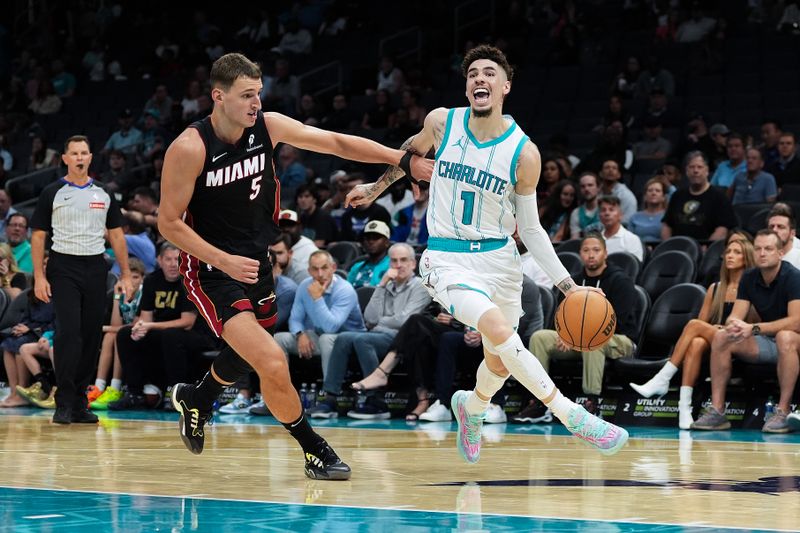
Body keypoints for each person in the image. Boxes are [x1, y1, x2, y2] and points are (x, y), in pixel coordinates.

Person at [345, 45, 628, 463]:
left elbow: (530, 229)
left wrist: (568, 287)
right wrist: (375, 189)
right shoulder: (442, 122)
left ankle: (471, 407)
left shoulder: (524, 153)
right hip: (446, 258)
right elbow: (410, 151)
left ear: (505, 87)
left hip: (499, 261)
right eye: (473, 73)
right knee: (498, 328)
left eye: (489, 73)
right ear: (467, 86)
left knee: (498, 360)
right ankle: (572, 415)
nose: (480, 79)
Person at [157, 53, 432, 480]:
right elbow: (168, 223)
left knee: (246, 354)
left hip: (258, 262)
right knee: (269, 359)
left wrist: (402, 160)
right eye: (247, 95)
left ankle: (197, 398)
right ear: (218, 97)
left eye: (259, 94)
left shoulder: (267, 126)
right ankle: (314, 450)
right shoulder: (190, 147)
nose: (255, 103)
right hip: (211, 269)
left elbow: (336, 142)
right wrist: (221, 259)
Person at [31, 135, 135, 424]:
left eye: (84, 153)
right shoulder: (52, 192)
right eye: (74, 153)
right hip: (63, 265)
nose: (79, 157)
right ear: (64, 158)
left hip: (95, 266)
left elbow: (116, 235)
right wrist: (39, 276)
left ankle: (79, 402)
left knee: (91, 334)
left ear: (90, 158)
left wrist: (126, 274)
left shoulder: (103, 193)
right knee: (69, 332)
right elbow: (38, 236)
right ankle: (62, 401)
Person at [629, 234, 755, 428]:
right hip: (716, 342)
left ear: (746, 258)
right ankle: (684, 409)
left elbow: (753, 325)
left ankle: (662, 378)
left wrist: (721, 328)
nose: (730, 255)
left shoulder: (751, 287)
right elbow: (702, 324)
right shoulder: (715, 288)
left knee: (694, 325)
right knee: (696, 341)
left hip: (739, 342)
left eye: (737, 252)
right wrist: (714, 329)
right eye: (728, 251)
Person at [691, 230, 800, 433]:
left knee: (785, 336)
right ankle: (717, 411)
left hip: (794, 341)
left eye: (768, 249)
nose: (762, 253)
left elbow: (796, 322)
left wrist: (754, 328)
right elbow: (736, 315)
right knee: (723, 336)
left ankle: (783, 412)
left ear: (780, 253)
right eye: (758, 248)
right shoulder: (750, 277)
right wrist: (734, 324)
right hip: (769, 341)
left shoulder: (793, 277)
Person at [530, 233, 638, 415]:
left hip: (620, 339)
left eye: (596, 250)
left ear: (605, 253)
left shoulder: (621, 281)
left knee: (594, 342)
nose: (591, 255)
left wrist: (573, 337)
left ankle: (592, 403)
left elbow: (615, 322)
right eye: (586, 250)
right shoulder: (573, 282)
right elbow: (561, 316)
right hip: (579, 340)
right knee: (539, 337)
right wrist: (567, 335)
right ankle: (539, 401)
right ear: (580, 253)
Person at [599, 196, 644, 261]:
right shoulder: (594, 240)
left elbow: (635, 267)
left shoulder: (632, 239)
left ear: (620, 215)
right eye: (603, 210)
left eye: (611, 210)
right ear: (599, 216)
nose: (607, 213)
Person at [628, 176, 668, 244]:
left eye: (657, 191)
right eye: (650, 190)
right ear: (645, 196)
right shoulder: (634, 217)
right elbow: (629, 241)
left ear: (663, 197)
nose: (653, 193)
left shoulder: (668, 217)